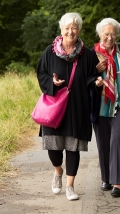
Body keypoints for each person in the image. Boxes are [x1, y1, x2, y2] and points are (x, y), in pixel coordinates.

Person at [36, 12, 103, 201]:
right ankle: (58, 172)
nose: (70, 31)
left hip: (77, 106)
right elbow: (41, 73)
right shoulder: (49, 52)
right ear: (61, 29)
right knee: (54, 149)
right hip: (54, 107)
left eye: (74, 27)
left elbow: (91, 76)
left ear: (79, 30)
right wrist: (52, 82)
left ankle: (70, 186)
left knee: (73, 148)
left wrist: (96, 82)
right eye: (67, 27)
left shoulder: (87, 54)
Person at [90, 18, 120, 198]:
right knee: (103, 142)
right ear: (99, 34)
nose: (109, 37)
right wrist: (95, 71)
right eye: (106, 34)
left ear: (116, 34)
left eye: (113, 34)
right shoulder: (92, 53)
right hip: (101, 104)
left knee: (116, 138)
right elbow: (85, 79)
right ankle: (106, 178)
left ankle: (118, 182)